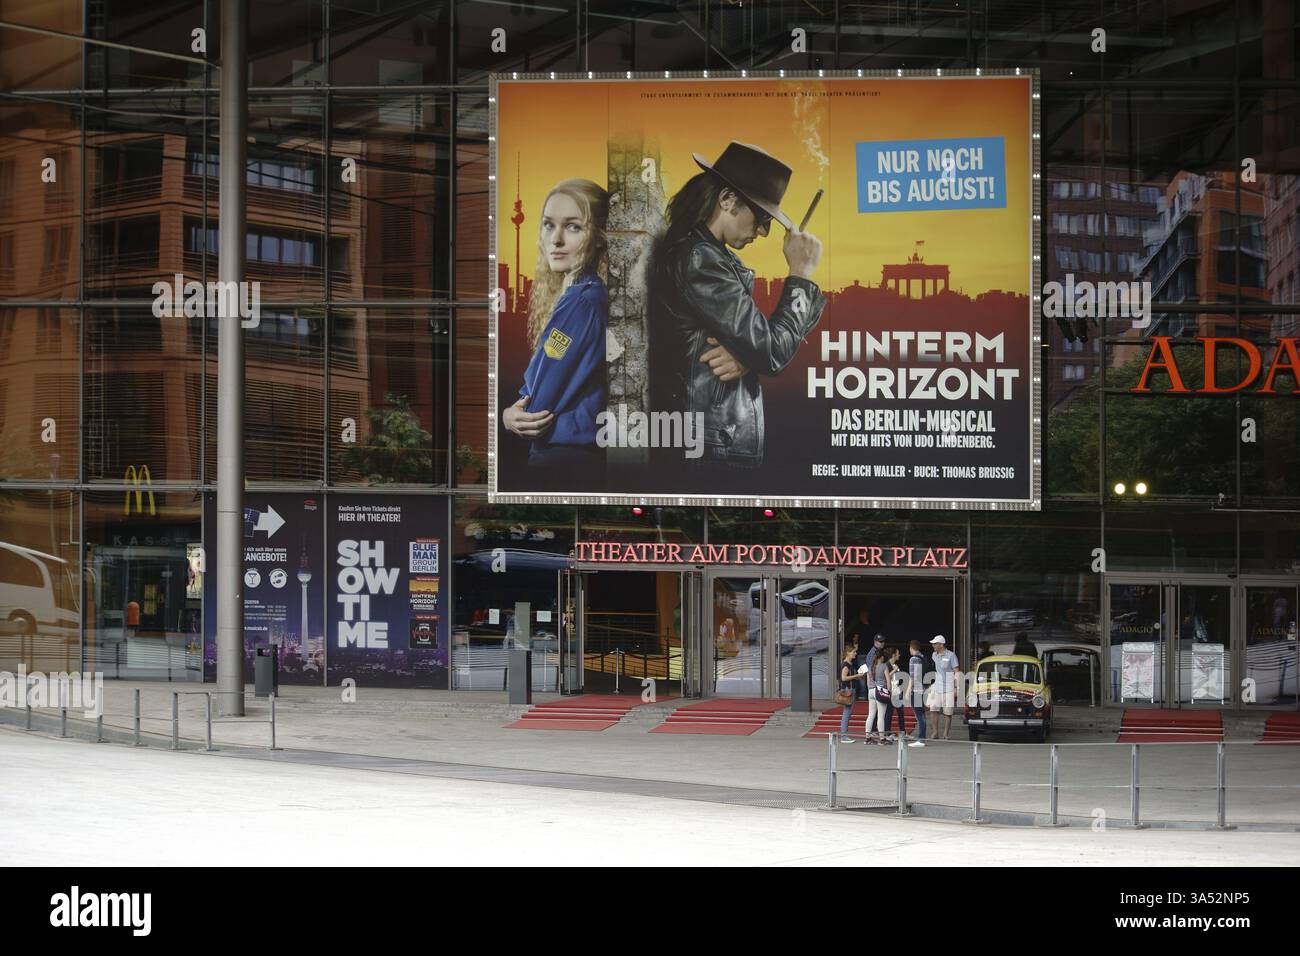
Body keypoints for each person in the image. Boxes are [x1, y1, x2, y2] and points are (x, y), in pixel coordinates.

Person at [651, 141, 825, 474]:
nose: (762, 231)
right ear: (727, 199)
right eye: (761, 217)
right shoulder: (701, 260)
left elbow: (762, 347)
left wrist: (747, 355)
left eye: (769, 223)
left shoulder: (710, 257)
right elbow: (772, 351)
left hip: (713, 440)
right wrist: (800, 275)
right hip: (711, 446)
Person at [502, 178, 610, 490]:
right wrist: (512, 412)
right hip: (568, 457)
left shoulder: (583, 302)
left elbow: (538, 402)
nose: (556, 239)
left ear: (600, 236)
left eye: (574, 227)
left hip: (566, 460)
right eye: (549, 225)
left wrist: (514, 414)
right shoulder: (578, 296)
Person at [927, 634, 961, 740]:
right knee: (933, 709)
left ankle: (945, 734)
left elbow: (957, 672)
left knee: (948, 712)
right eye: (933, 644)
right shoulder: (934, 655)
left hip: (949, 687)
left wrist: (957, 687)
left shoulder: (951, 655)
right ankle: (935, 732)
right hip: (937, 686)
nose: (933, 645)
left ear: (941, 644)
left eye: (935, 644)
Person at [837, 643, 868, 742]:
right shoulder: (846, 664)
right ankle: (844, 736)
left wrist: (859, 676)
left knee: (848, 712)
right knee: (847, 713)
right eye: (853, 652)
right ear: (848, 653)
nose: (855, 653)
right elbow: (843, 678)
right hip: (848, 690)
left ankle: (844, 734)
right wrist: (856, 676)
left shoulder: (850, 664)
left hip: (850, 690)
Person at [881, 646, 908, 742]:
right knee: (889, 713)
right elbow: (885, 677)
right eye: (898, 653)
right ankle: (887, 733)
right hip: (890, 692)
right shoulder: (886, 665)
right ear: (893, 655)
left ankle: (903, 732)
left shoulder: (895, 665)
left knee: (900, 712)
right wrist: (894, 670)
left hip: (897, 691)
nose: (899, 655)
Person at [907, 640, 927, 746]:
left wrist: (909, 690)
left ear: (911, 648)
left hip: (917, 690)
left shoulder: (913, 659)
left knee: (919, 715)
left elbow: (913, 676)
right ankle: (922, 738)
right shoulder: (922, 657)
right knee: (922, 714)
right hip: (923, 688)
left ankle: (921, 739)